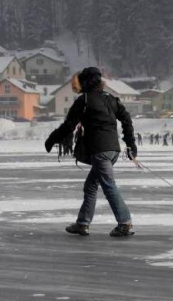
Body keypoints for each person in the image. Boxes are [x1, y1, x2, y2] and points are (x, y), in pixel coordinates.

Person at [44, 68, 136, 237]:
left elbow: (68, 125)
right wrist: (130, 144)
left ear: (85, 82)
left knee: (108, 186)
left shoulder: (84, 100)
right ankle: (82, 223)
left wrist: (52, 139)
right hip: (113, 150)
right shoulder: (110, 99)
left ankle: (124, 223)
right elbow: (126, 119)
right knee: (91, 186)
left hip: (100, 151)